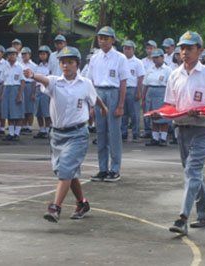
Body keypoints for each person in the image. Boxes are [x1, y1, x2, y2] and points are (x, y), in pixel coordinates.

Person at [23, 46, 108, 223]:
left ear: (77, 64)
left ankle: (55, 207)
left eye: (70, 62)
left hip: (78, 133)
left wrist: (102, 107)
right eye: (63, 62)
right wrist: (32, 75)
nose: (66, 65)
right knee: (68, 172)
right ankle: (82, 203)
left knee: (66, 169)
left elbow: (94, 98)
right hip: (58, 135)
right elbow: (44, 80)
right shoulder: (55, 82)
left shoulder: (85, 83)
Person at [162, 31, 205, 235]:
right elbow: (170, 104)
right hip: (181, 131)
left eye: (189, 48)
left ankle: (182, 218)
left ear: (200, 50)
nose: (185, 52)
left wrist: (201, 111)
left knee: (192, 172)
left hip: (201, 130)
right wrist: (161, 114)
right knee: (194, 174)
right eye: (182, 48)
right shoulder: (174, 74)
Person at [88, 26, 130, 182]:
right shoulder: (94, 58)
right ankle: (103, 169)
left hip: (113, 93)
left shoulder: (120, 58)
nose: (102, 41)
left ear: (113, 40)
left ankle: (115, 169)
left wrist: (120, 105)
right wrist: (92, 106)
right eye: (100, 38)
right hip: (99, 93)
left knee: (114, 133)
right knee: (100, 133)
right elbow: (90, 82)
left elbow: (123, 83)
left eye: (106, 38)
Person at [143, 48, 172, 146]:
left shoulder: (168, 70)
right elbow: (145, 84)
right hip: (151, 92)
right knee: (153, 116)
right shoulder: (150, 69)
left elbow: (171, 85)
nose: (155, 59)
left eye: (157, 57)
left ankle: (163, 138)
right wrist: (143, 97)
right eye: (153, 58)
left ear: (162, 57)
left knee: (163, 116)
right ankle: (155, 138)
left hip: (162, 92)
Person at [121, 40, 145, 142]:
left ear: (133, 50)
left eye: (129, 48)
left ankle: (135, 134)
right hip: (122, 89)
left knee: (134, 113)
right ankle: (123, 133)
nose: (127, 50)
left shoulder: (138, 62)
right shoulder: (120, 60)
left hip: (132, 88)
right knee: (123, 113)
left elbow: (140, 77)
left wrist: (139, 91)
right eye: (125, 48)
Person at [0, 47, 25, 141]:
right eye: (10, 54)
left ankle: (17, 133)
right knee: (9, 113)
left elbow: (22, 82)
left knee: (18, 113)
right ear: (7, 56)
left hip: (16, 89)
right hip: (7, 89)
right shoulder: (5, 66)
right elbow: (3, 81)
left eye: (14, 54)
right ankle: (10, 133)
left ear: (16, 55)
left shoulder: (20, 67)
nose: (12, 56)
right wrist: (1, 94)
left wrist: (19, 94)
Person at [33, 45, 52, 139]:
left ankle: (48, 130)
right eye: (40, 54)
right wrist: (33, 93)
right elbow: (34, 80)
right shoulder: (37, 66)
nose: (42, 56)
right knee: (38, 111)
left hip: (46, 89)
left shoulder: (50, 66)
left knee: (46, 111)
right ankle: (41, 130)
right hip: (38, 89)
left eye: (44, 54)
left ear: (48, 55)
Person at [141, 40, 157, 138]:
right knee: (145, 108)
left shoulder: (160, 60)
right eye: (148, 48)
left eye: (151, 48)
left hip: (156, 86)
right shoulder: (142, 61)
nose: (149, 50)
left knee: (156, 110)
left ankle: (158, 130)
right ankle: (147, 129)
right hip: (145, 85)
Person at [19, 47, 37, 134]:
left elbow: (34, 80)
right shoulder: (19, 64)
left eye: (26, 54)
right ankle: (23, 125)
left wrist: (33, 93)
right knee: (22, 107)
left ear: (29, 55)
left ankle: (29, 126)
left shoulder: (34, 65)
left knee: (30, 108)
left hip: (30, 85)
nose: (24, 55)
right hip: (21, 85)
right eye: (22, 54)